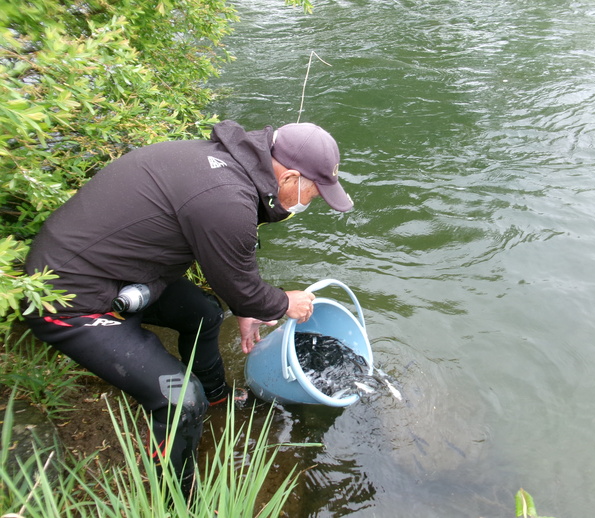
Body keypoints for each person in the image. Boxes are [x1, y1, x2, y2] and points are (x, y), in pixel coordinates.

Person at [23, 120, 354, 495]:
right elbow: (244, 282)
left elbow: (232, 269)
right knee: (181, 400)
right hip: (65, 297)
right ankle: (181, 499)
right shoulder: (226, 198)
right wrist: (281, 302)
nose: (310, 202)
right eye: (313, 193)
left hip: (121, 274)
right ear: (291, 176)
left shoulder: (227, 165)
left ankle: (218, 395)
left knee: (205, 314)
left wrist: (246, 304)